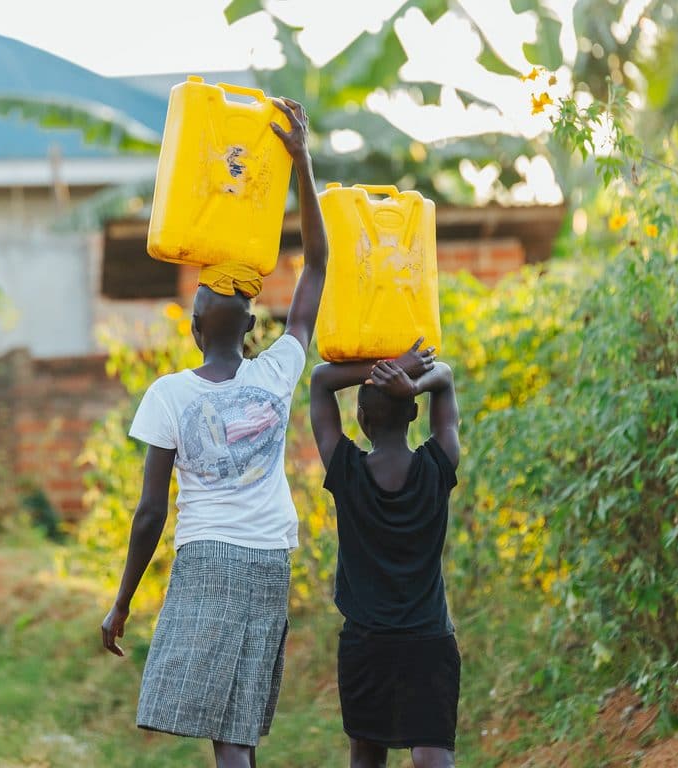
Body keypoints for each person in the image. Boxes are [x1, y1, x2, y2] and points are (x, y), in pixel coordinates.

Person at [100, 96, 324, 768]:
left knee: (221, 728)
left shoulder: (170, 394)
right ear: (253, 329)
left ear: (195, 329)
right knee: (239, 724)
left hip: (206, 560)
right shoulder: (279, 372)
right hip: (267, 562)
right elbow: (316, 266)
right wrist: (302, 160)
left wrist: (122, 602)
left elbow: (149, 514)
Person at [309, 346, 461, 768]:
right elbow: (445, 376)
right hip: (429, 641)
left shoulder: (346, 471)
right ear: (415, 414)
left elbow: (320, 380)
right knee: (433, 754)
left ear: (360, 419)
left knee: (366, 757)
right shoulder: (438, 466)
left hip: (365, 644)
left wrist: (377, 371)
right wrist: (411, 378)